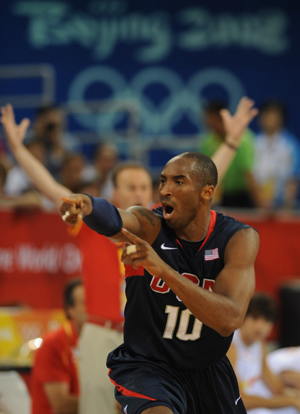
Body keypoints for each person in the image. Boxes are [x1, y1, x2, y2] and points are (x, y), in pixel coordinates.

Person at [1, 97, 258, 414]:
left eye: (143, 186)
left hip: (174, 343)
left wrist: (231, 143)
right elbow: (55, 189)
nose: (142, 192)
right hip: (109, 334)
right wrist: (19, 149)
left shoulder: (164, 225)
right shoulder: (101, 224)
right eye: (131, 187)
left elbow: (202, 178)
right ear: (116, 193)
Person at [227, 293, 300, 414]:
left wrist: (293, 395)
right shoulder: (231, 345)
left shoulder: (260, 344)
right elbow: (238, 399)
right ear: (244, 317)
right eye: (255, 318)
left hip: (258, 399)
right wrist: (290, 401)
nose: (261, 326)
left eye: (267, 321)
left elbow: (276, 388)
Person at [31, 278, 86, 414]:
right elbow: (61, 405)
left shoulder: (92, 341)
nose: (91, 308)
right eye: (85, 303)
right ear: (70, 310)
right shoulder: (54, 343)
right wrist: (109, 400)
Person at [199, 99, 259, 208]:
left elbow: (248, 174)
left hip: (244, 195)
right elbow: (207, 174)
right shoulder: (208, 141)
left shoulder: (244, 141)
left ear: (219, 118)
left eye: (209, 118)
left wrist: (260, 205)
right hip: (223, 196)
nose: (207, 122)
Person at [253, 99, 300, 210]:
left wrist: (287, 207)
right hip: (256, 206)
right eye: (267, 115)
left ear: (281, 119)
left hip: (282, 206)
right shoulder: (254, 143)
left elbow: (293, 179)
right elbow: (250, 176)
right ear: (261, 118)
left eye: (274, 115)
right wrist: (259, 203)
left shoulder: (291, 145)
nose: (270, 119)